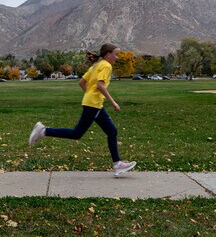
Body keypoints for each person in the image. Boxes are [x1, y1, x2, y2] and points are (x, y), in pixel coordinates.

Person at [28, 43, 136, 177]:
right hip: (94, 104)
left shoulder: (96, 65)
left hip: (93, 103)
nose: (117, 57)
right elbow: (100, 86)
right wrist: (113, 102)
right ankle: (43, 131)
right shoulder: (107, 66)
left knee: (112, 131)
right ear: (108, 55)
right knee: (77, 133)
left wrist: (89, 95)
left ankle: (117, 165)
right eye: (116, 54)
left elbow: (82, 82)